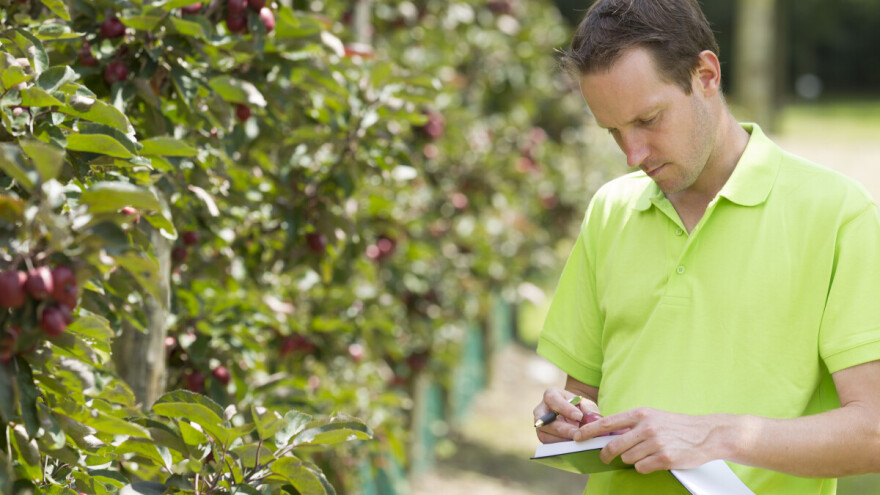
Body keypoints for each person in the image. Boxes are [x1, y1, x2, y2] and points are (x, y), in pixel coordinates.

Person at [532, 0, 880, 493]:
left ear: (706, 75)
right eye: (614, 131)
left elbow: (873, 433)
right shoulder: (611, 209)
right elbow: (580, 400)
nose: (632, 155)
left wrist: (721, 436)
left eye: (648, 120)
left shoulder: (838, 213)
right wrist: (563, 422)